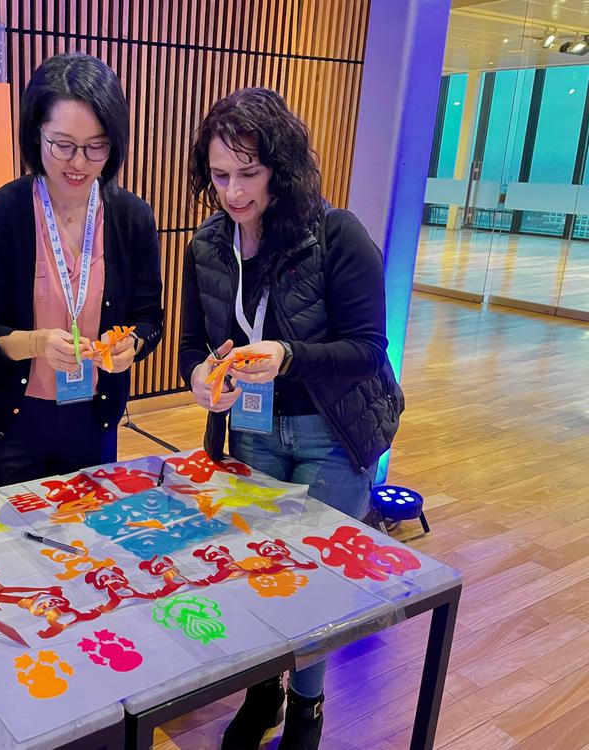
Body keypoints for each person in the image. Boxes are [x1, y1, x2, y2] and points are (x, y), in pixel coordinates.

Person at [179, 87, 405, 749]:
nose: (234, 192)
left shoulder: (337, 235)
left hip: (330, 434)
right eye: (220, 175)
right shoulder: (209, 245)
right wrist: (199, 376)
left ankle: (307, 711)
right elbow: (197, 343)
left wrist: (287, 354)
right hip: (251, 428)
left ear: (281, 164)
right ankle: (263, 693)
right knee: (254, 567)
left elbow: (368, 350)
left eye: (249, 173)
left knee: (312, 581)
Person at [0, 52, 163, 492]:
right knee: (8, 550)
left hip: (92, 418)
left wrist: (132, 345)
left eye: (97, 147)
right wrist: (36, 344)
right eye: (63, 144)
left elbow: (151, 319)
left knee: (88, 546)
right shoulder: (0, 215)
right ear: (37, 135)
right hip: (8, 427)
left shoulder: (132, 219)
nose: (79, 163)